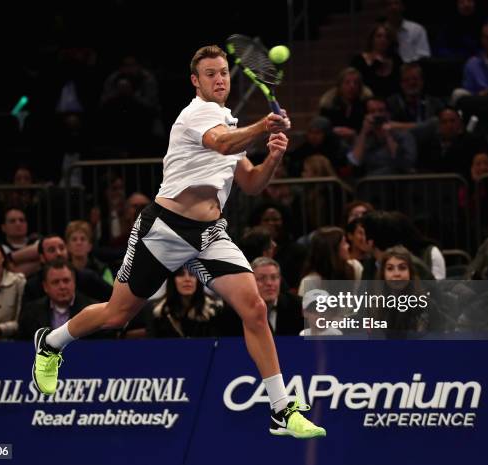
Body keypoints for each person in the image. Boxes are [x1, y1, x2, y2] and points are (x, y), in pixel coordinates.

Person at [30, 44, 325, 438]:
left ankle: (280, 408)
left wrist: (271, 156)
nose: (219, 79)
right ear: (195, 80)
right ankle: (51, 343)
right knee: (118, 315)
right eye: (210, 73)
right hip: (164, 230)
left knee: (254, 307)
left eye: (223, 72)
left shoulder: (228, 122)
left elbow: (251, 184)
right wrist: (263, 127)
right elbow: (222, 143)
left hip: (208, 234)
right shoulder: (197, 115)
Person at [18, 259, 110, 340]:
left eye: (66, 281)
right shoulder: (30, 312)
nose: (62, 287)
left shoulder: (94, 311)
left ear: (74, 282)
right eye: (55, 282)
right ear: (45, 287)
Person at [348, 97, 417, 176]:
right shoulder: (362, 139)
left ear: (388, 114)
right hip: (372, 182)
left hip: (397, 181)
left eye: (381, 111)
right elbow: (354, 163)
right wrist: (363, 132)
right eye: (372, 111)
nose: (377, 115)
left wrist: (388, 137)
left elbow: (406, 166)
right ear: (366, 116)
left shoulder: (404, 136)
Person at [318, 67, 372, 144]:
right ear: (339, 86)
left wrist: (353, 133)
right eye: (347, 82)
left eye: (356, 83)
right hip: (334, 142)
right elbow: (322, 128)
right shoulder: (329, 105)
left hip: (361, 143)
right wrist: (333, 131)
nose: (352, 86)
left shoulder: (366, 104)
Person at [350, 24, 402, 98]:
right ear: (372, 39)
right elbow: (358, 83)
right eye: (379, 36)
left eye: (387, 37)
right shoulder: (358, 60)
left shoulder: (396, 60)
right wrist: (375, 65)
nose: (383, 39)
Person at [65, 220, 114, 285]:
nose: (78, 243)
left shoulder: (102, 269)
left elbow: (112, 293)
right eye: (74, 239)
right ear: (68, 246)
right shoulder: (63, 269)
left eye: (83, 239)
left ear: (90, 246)